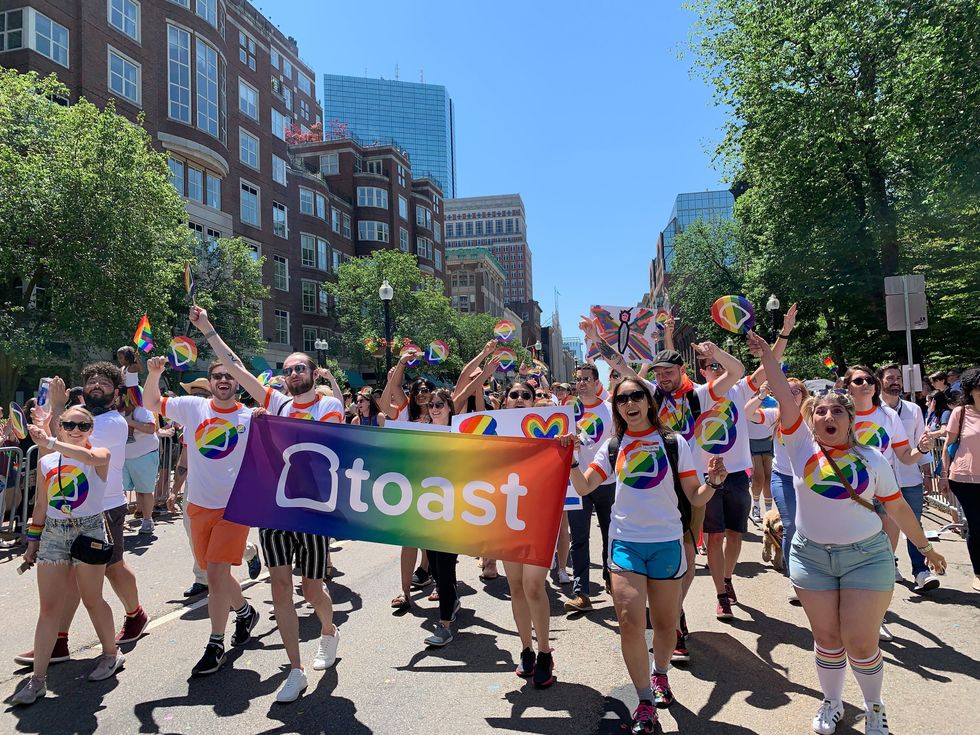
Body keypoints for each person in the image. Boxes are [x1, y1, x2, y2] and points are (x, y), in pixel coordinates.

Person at [748, 330, 945, 735]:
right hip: (811, 556)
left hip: (867, 556)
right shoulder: (799, 446)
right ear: (810, 419)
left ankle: (874, 707)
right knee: (827, 638)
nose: (828, 417)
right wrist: (770, 353)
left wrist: (925, 548)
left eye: (838, 412)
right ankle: (833, 701)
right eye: (820, 412)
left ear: (851, 419)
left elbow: (897, 506)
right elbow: (785, 395)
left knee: (860, 642)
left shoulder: (872, 458)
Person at [192, 307, 343, 701]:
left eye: (300, 369)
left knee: (311, 590)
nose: (294, 374)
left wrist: (267, 425)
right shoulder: (274, 403)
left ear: (312, 373)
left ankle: (328, 630)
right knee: (279, 588)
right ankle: (295, 669)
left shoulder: (328, 407)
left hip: (311, 511)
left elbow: (319, 442)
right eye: (289, 370)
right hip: (274, 508)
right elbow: (236, 367)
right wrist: (207, 327)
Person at [563, 378, 723, 734]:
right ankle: (645, 702)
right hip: (626, 543)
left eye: (637, 396)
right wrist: (572, 459)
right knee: (630, 623)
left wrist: (712, 482)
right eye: (622, 398)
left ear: (649, 402)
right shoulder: (613, 445)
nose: (630, 403)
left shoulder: (674, 443)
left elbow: (696, 497)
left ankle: (661, 673)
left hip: (667, 543)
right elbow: (586, 486)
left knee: (665, 626)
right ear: (616, 406)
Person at [15, 366, 150, 668]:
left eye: (105, 382)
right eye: (92, 381)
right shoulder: (81, 418)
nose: (97, 385)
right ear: (85, 389)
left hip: (106, 508)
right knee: (73, 581)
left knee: (113, 568)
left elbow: (76, 448)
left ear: (117, 392)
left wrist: (57, 414)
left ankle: (135, 615)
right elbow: (58, 448)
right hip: (70, 512)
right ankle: (58, 641)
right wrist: (53, 418)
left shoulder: (112, 422)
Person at [143, 354, 260, 677]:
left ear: (238, 382)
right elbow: (151, 401)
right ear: (210, 382)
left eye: (229, 376)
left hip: (234, 509)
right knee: (213, 576)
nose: (224, 381)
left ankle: (215, 643)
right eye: (218, 376)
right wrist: (154, 373)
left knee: (217, 576)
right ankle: (245, 612)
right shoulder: (193, 407)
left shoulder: (250, 417)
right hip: (198, 505)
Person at [12, 406, 125, 705]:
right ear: (60, 426)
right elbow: (40, 505)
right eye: (69, 424)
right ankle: (37, 680)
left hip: (89, 532)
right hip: (53, 533)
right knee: (49, 608)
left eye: (83, 425)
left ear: (91, 430)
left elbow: (86, 457)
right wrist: (33, 543)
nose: (76, 430)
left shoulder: (100, 454)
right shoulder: (47, 460)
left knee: (92, 599)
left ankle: (111, 654)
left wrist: (48, 439)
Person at [841, 365, 937, 640]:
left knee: (882, 560)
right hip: (848, 496)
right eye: (859, 380)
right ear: (848, 386)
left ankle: (875, 617)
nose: (866, 384)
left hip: (882, 494)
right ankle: (846, 609)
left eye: (869, 380)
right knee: (851, 557)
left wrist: (922, 449)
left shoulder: (888, 416)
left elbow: (905, 456)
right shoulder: (839, 413)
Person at [499, 380, 557, 689]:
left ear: (534, 402)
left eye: (526, 395)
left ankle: (545, 651)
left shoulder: (549, 433)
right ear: (505, 401)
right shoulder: (492, 434)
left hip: (537, 517)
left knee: (534, 586)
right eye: (514, 395)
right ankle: (526, 649)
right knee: (517, 586)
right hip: (506, 518)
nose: (520, 399)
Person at [876, 364, 941, 593]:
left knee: (914, 524)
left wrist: (927, 473)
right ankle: (889, 565)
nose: (895, 381)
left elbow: (919, 441)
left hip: (909, 478)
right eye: (890, 378)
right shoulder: (873, 410)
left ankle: (921, 572)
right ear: (880, 381)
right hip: (881, 482)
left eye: (898, 378)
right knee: (883, 527)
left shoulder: (913, 409)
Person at [745, 378, 811, 602]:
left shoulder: (813, 415)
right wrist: (762, 394)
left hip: (811, 479)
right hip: (782, 477)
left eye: (795, 391)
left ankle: (817, 575)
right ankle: (796, 580)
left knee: (812, 527)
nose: (791, 394)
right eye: (786, 391)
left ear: (803, 394)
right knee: (790, 525)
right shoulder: (774, 414)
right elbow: (748, 412)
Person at [560, 362, 616, 614]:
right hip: (577, 482)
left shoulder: (611, 409)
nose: (581, 383)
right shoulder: (566, 410)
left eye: (586, 379)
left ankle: (611, 577)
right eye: (578, 379)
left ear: (596, 382)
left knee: (611, 535)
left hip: (608, 481)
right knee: (579, 538)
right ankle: (581, 591)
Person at [422, 388, 463, 647]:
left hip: (452, 510)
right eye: (431, 405)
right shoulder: (419, 434)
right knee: (435, 567)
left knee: (445, 569)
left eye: (440, 404)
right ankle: (454, 601)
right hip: (426, 510)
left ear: (449, 407)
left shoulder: (461, 434)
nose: (434, 408)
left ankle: (445, 625)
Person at [939, 366, 980, 592]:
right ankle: (978, 572)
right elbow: (947, 446)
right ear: (970, 389)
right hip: (965, 479)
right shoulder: (961, 413)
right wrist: (944, 475)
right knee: (976, 525)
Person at [120, 399, 159, 534]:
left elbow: (151, 428)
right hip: (122, 457)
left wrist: (130, 422)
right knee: (119, 490)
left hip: (144, 455)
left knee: (144, 491)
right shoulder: (112, 410)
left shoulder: (141, 409)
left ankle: (147, 520)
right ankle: (120, 522)